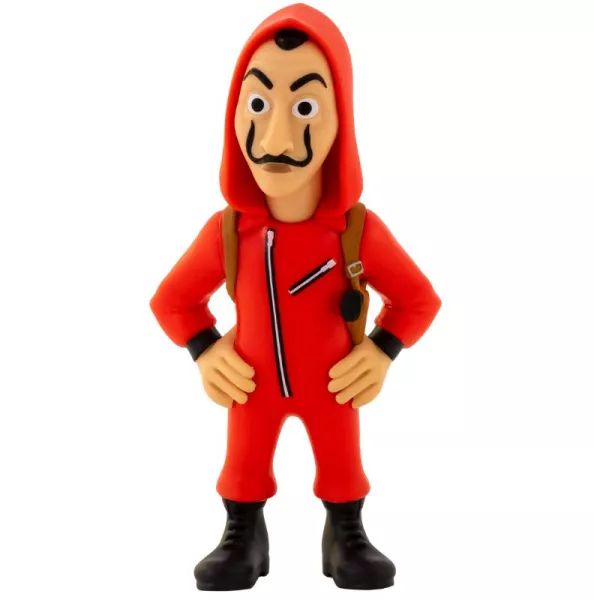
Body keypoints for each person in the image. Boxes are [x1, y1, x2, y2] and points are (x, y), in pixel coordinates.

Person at [150, 3, 441, 591]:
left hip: (333, 384)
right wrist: (206, 350)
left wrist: (381, 351)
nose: (277, 139)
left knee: (341, 462)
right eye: (259, 104)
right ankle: (242, 532)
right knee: (243, 463)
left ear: (341, 121)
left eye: (305, 107)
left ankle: (346, 531)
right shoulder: (229, 232)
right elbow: (172, 300)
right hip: (251, 385)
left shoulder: (355, 232)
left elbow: (418, 299)